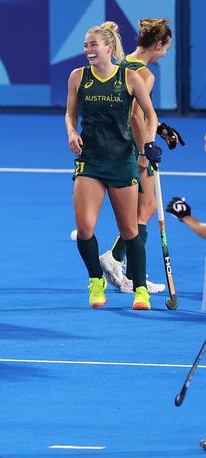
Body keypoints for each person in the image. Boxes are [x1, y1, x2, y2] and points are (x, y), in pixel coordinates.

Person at [65, 21, 162, 310]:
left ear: (109, 47)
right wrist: (72, 132)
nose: (88, 50)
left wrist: (150, 143)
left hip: (122, 162)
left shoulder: (130, 78)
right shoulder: (78, 77)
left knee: (130, 229)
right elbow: (70, 115)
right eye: (85, 45)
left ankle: (140, 290)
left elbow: (150, 115)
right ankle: (96, 281)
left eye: (93, 45)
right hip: (91, 161)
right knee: (84, 228)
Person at [99, 19, 179, 293]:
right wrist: (146, 149)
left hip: (113, 143)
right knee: (145, 209)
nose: (166, 53)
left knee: (140, 209)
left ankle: (121, 261)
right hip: (132, 148)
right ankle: (127, 270)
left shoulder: (122, 62)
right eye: (166, 47)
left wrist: (162, 128)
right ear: (158, 44)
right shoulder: (145, 73)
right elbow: (135, 115)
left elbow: (138, 110)